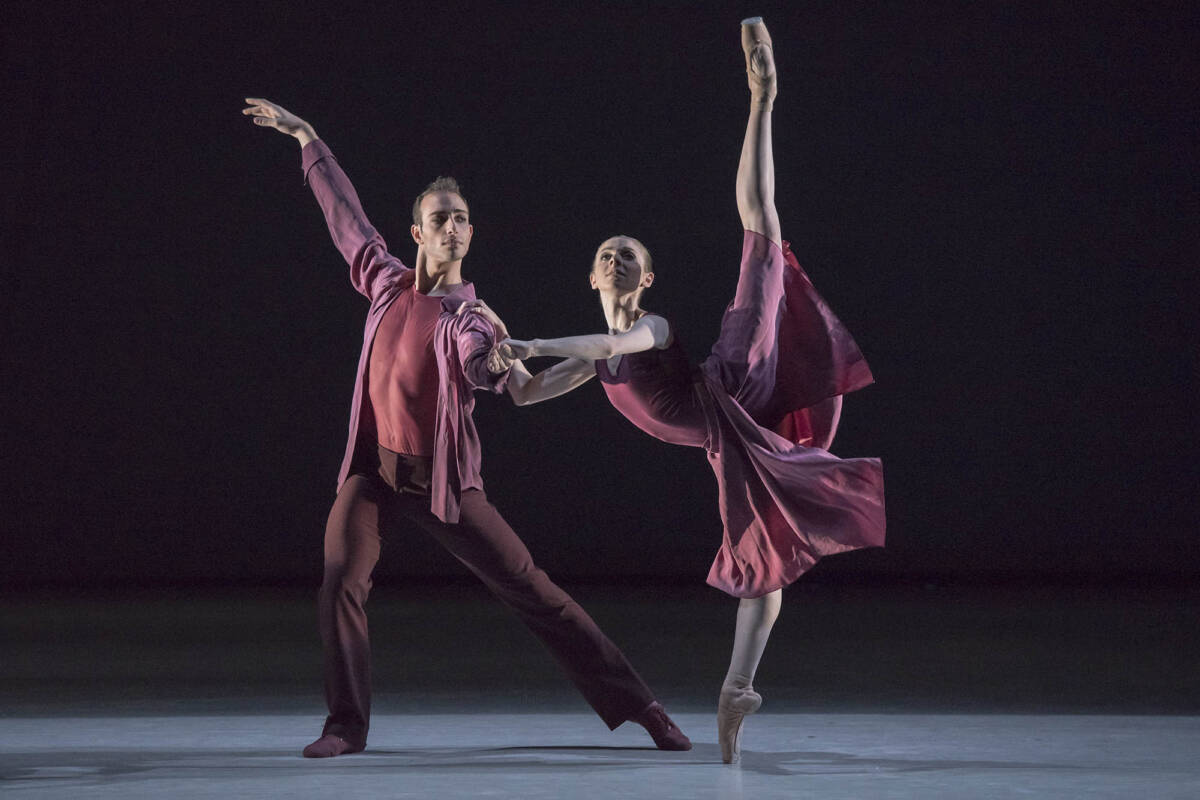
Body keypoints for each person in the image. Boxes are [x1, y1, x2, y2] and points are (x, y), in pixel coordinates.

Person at [464, 19, 886, 764]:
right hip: (728, 442)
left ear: (647, 277)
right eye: (607, 256)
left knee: (763, 236)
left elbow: (609, 345)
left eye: (628, 255)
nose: (616, 260)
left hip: (733, 381)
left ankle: (762, 97)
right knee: (764, 552)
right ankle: (738, 687)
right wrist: (489, 342)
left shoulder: (650, 329)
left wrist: (532, 342)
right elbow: (525, 395)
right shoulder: (590, 362)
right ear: (591, 276)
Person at [241, 98, 690, 757]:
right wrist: (307, 139)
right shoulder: (385, 282)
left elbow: (485, 367)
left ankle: (643, 707)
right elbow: (346, 219)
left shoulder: (471, 318)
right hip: (373, 473)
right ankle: (345, 726)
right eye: (439, 219)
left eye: (460, 220)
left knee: (534, 592)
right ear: (418, 233)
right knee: (340, 580)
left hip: (442, 485)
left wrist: (513, 363)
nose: (451, 227)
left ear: (470, 235)